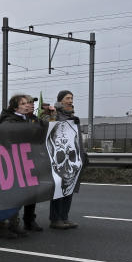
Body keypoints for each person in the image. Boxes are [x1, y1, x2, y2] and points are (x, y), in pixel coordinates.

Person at [0, 94, 48, 232]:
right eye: (23, 103)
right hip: (15, 162)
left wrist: (45, 118)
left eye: (28, 103)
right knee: (15, 194)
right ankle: (10, 223)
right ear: (15, 107)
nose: (28, 105)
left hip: (28, 160)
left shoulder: (27, 119)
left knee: (31, 192)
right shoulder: (9, 121)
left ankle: (29, 220)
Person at [50, 90, 81, 230]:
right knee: (58, 189)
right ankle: (55, 219)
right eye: (67, 98)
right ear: (60, 100)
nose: (70, 100)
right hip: (59, 158)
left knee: (69, 187)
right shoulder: (55, 114)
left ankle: (64, 217)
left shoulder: (71, 115)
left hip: (72, 157)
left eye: (72, 98)